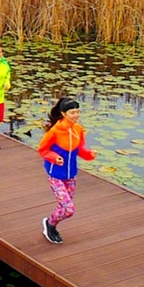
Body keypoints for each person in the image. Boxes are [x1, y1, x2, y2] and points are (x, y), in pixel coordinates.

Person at [37, 97, 95, 244]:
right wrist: (54, 157)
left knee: (64, 205)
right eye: (72, 113)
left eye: (77, 112)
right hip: (56, 175)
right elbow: (43, 150)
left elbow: (79, 149)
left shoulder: (78, 129)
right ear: (63, 113)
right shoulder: (54, 131)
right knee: (68, 209)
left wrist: (89, 154)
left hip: (71, 174)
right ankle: (50, 224)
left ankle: (50, 224)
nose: (76, 115)